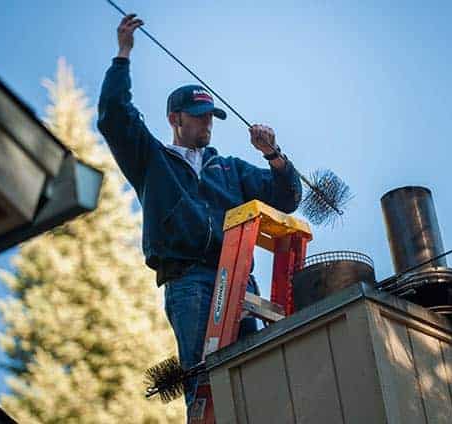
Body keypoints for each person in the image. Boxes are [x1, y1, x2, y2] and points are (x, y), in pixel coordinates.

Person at [97, 14, 301, 421]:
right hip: (188, 280)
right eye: (198, 115)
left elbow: (287, 197)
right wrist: (123, 55)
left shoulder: (228, 168)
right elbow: (114, 117)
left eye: (211, 116)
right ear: (176, 119)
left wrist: (273, 154)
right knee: (205, 380)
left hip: (239, 276)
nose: (207, 122)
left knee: (253, 374)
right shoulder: (153, 161)